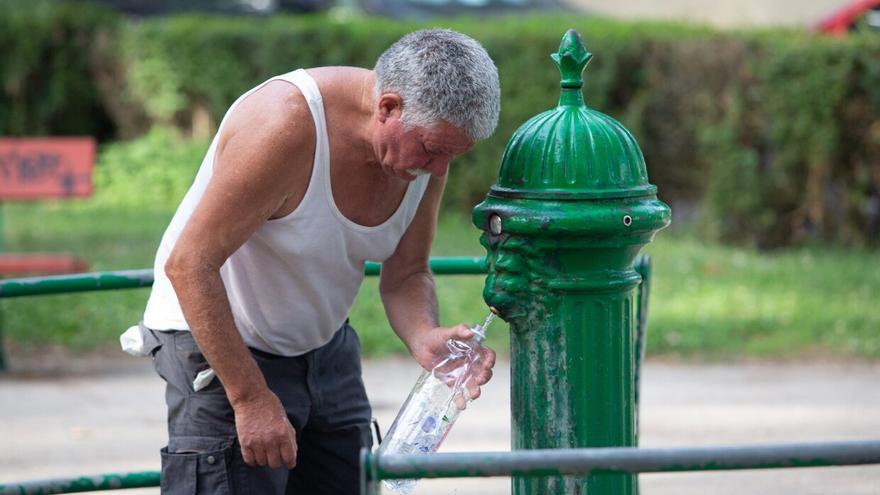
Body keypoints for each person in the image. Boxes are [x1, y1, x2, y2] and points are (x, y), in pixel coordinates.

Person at [137, 29, 501, 494]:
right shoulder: (285, 124)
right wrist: (249, 397)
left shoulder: (423, 156)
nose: (437, 170)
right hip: (219, 341)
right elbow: (189, 264)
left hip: (323, 348)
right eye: (432, 150)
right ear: (387, 107)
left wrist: (424, 336)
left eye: (453, 156)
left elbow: (407, 273)